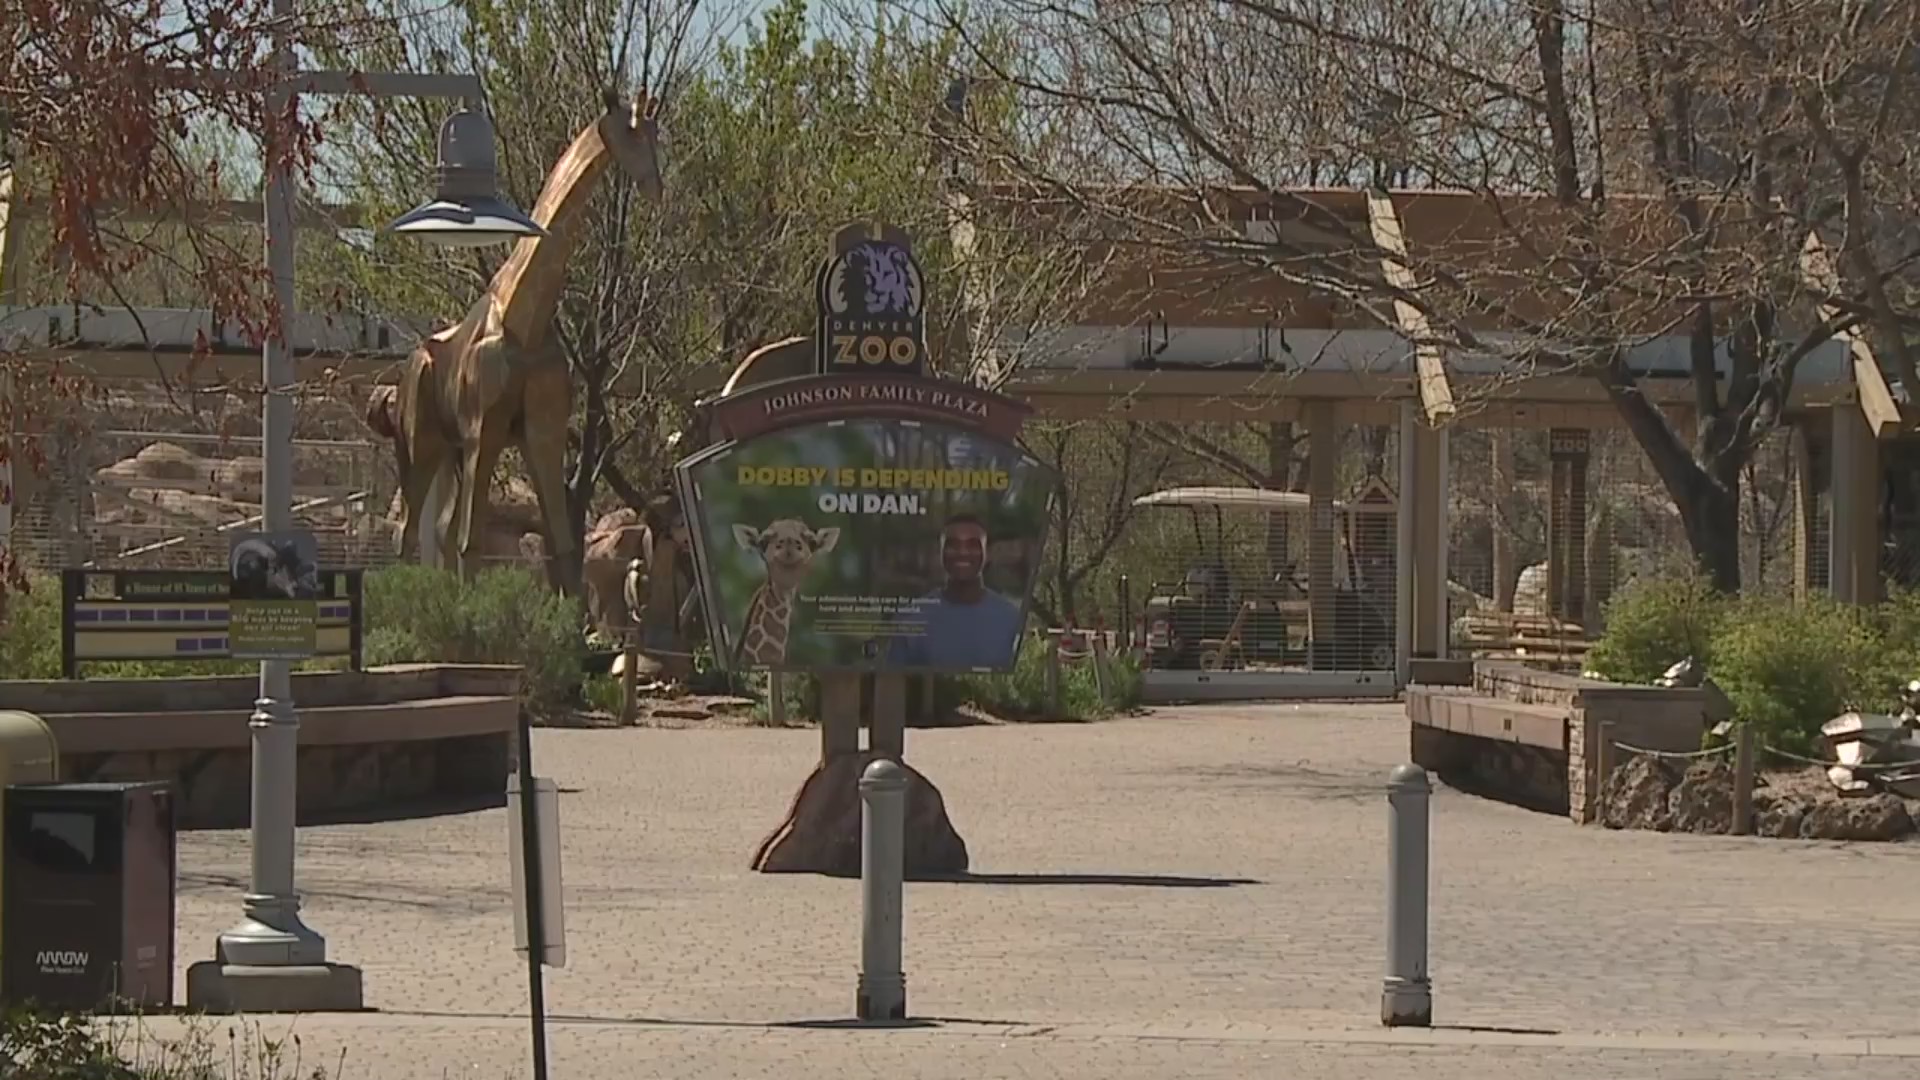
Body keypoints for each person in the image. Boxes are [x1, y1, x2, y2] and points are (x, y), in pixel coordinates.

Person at [890, 513, 1025, 669]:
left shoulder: (1013, 619)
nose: (963, 552)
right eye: (953, 545)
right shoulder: (910, 617)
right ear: (940, 553)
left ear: (987, 554)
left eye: (973, 545)